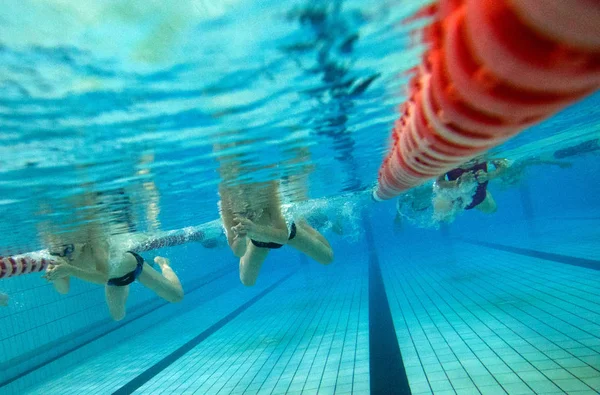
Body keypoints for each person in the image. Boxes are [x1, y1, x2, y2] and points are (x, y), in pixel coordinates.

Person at [42, 193, 184, 321]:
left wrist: (71, 270)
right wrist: (55, 275)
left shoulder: (95, 242)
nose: (66, 255)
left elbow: (103, 277)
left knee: (177, 297)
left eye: (69, 249)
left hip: (133, 267)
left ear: (78, 240)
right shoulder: (60, 253)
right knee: (118, 317)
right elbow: (63, 290)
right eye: (58, 253)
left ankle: (163, 263)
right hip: (114, 280)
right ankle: (125, 284)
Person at [435, 157, 509, 214]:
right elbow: (439, 182)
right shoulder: (447, 158)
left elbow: (504, 165)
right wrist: (458, 182)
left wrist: (488, 176)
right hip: (455, 200)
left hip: (480, 198)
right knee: (441, 216)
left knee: (493, 209)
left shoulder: (482, 150)